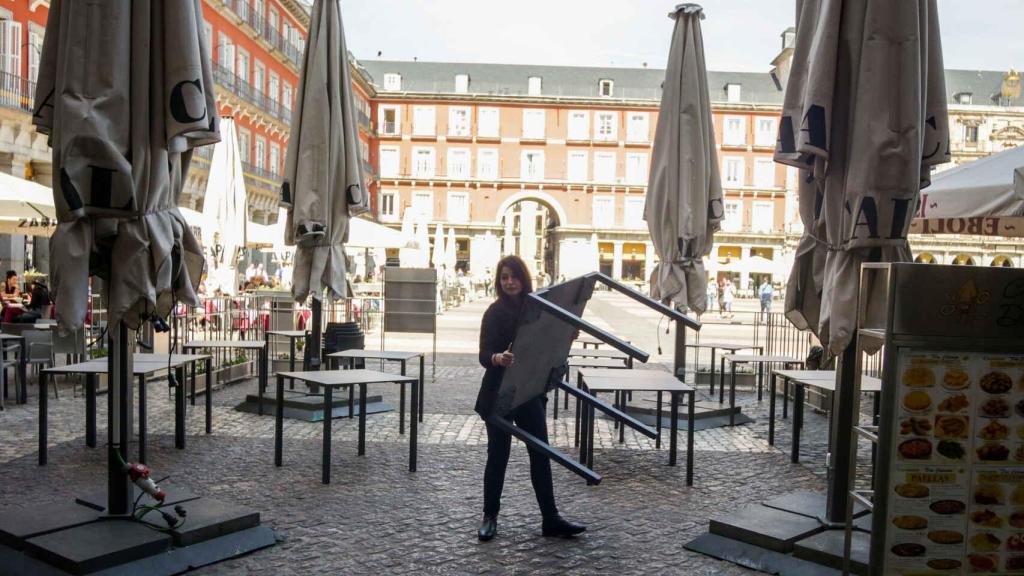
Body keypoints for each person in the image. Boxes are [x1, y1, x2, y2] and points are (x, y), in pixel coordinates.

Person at [475, 255, 586, 542]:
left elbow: (547, 344)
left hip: (528, 391)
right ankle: (490, 516)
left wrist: (567, 336)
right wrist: (498, 357)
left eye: (514, 277)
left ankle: (550, 518)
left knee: (540, 453)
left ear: (524, 279)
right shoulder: (495, 312)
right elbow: (483, 354)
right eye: (504, 277)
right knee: (498, 456)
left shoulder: (538, 307)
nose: (509, 282)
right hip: (499, 393)